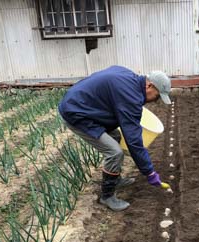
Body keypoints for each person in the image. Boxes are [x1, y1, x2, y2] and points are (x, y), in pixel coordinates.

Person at [58, 65, 171, 211]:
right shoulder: (129, 96)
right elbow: (134, 141)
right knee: (114, 152)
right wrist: (149, 172)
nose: (155, 101)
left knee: (116, 136)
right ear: (150, 85)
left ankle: (115, 178)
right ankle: (107, 196)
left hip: (84, 105)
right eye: (157, 96)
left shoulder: (129, 78)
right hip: (76, 112)